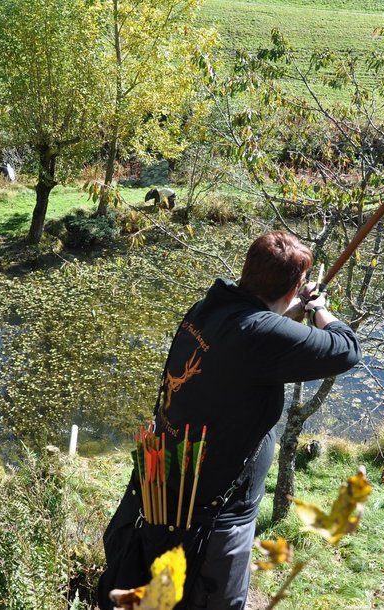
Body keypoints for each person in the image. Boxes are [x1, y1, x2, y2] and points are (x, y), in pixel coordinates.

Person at [103, 230, 361, 609]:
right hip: (217, 517)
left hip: (165, 490)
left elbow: (245, 346)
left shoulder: (211, 308)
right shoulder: (261, 335)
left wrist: (291, 312)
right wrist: (320, 308)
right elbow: (346, 349)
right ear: (292, 289)